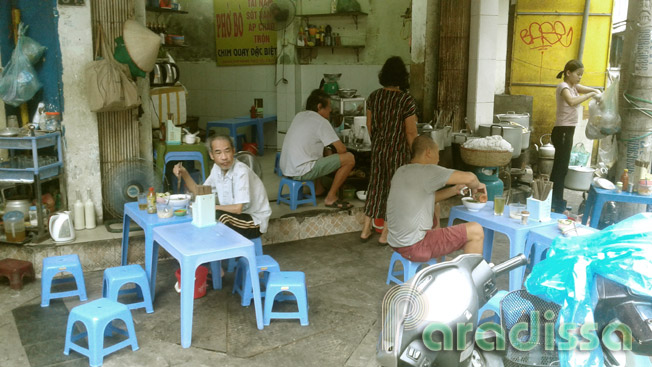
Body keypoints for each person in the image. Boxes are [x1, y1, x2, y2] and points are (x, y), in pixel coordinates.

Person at [386, 135, 485, 262]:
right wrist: (478, 186)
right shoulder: (428, 170)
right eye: (438, 153)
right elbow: (470, 178)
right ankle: (470, 278)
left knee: (435, 206)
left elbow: (428, 199)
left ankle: (438, 260)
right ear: (428, 152)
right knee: (476, 230)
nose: (438, 159)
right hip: (415, 246)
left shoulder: (401, 171)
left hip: (396, 242)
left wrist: (455, 190)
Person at [360, 56, 418, 244]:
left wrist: (378, 141)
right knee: (394, 190)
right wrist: (416, 154)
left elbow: (369, 126)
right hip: (398, 152)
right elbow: (410, 132)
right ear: (403, 77)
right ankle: (385, 233)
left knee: (375, 186)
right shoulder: (406, 100)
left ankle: (365, 229)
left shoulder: (374, 97)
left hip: (378, 149)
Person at [173, 134, 271, 239]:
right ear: (211, 155)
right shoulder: (216, 168)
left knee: (220, 217)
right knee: (202, 212)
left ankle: (221, 251)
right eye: (218, 152)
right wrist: (184, 173)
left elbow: (238, 209)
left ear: (233, 151)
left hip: (254, 221)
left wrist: (212, 207)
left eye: (227, 151)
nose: (224, 157)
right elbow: (201, 193)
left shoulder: (241, 171)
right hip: (237, 217)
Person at [280, 89, 356, 209]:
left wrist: (328, 151)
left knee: (321, 152)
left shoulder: (299, 115)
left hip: (287, 168)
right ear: (320, 107)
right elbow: (342, 150)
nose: (330, 110)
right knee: (349, 158)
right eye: (329, 106)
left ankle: (318, 189)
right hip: (301, 170)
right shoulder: (321, 122)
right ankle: (331, 197)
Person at [550, 59, 602, 212]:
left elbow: (585, 89)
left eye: (581, 75)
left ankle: (556, 201)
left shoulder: (573, 86)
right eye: (578, 74)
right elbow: (572, 102)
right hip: (562, 132)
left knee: (562, 168)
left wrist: (597, 91)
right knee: (560, 169)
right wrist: (591, 94)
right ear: (568, 73)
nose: (580, 77)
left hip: (568, 131)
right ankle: (556, 203)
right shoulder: (563, 87)